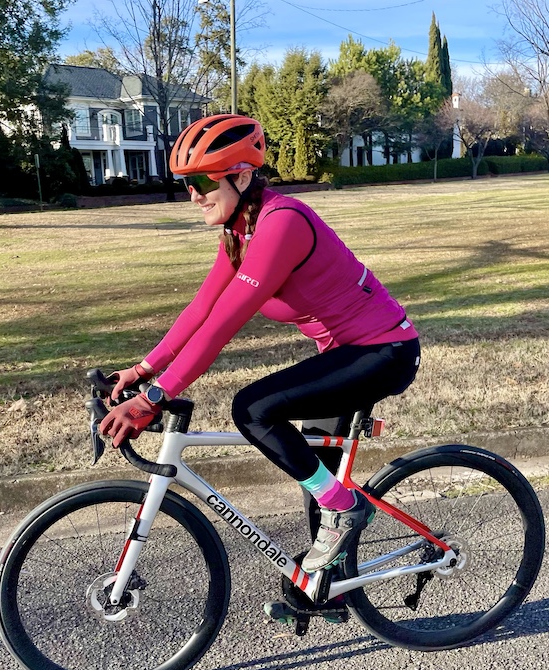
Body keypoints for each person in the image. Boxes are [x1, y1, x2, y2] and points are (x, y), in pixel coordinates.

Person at [100, 113, 420, 576]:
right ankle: (326, 591)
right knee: (318, 478)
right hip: (344, 354)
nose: (194, 195)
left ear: (243, 175)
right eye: (187, 183)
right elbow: (202, 309)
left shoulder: (281, 223)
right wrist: (143, 370)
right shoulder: (240, 231)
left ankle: (344, 510)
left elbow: (224, 323)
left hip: (383, 352)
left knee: (253, 408)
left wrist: (157, 397)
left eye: (204, 181)